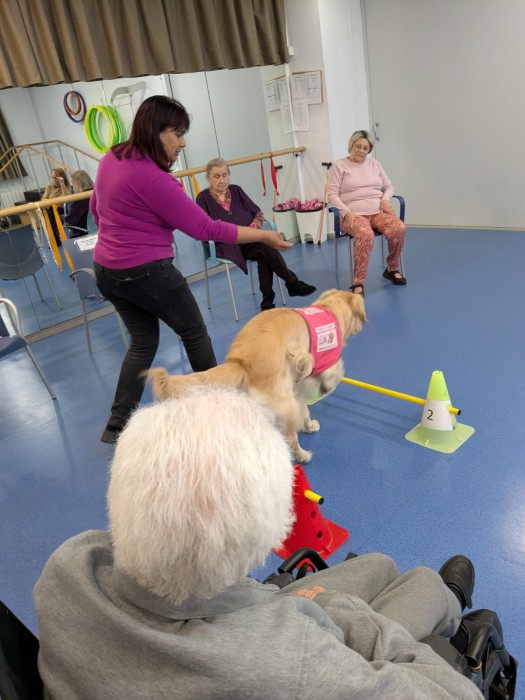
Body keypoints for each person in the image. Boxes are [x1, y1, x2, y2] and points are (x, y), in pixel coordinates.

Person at [34, 386, 482, 699]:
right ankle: (450, 604)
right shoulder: (295, 664)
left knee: (378, 565)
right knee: (421, 582)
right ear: (270, 534)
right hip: (279, 644)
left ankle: (439, 597)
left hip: (217, 621)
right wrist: (328, 611)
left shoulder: (70, 567)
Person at [90, 95, 291, 444]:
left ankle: (116, 425)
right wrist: (263, 235)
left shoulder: (112, 157)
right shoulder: (155, 179)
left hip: (107, 271)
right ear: (156, 131)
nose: (183, 142)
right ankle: (221, 412)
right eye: (178, 133)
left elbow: (96, 209)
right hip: (147, 271)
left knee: (143, 340)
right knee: (194, 333)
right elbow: (206, 229)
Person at [196, 158, 316, 311]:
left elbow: (258, 214)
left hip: (250, 241)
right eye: (216, 176)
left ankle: (268, 303)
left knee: (263, 250)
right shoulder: (202, 199)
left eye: (225, 175)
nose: (222, 180)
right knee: (264, 246)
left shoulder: (236, 190)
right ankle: (291, 283)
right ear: (208, 177)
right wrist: (250, 235)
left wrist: (250, 232)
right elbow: (204, 228)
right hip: (225, 245)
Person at [328, 129, 406, 296]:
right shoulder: (339, 165)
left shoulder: (375, 164)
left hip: (377, 211)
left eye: (366, 148)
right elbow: (332, 194)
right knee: (365, 234)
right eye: (358, 146)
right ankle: (358, 281)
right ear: (351, 145)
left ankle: (392, 268)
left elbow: (389, 186)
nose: (361, 151)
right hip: (353, 214)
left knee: (398, 228)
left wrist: (385, 199)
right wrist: (346, 212)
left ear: (369, 149)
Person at [41, 168, 73, 247]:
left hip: (62, 208)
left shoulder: (67, 186)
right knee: (48, 212)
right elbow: (43, 199)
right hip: (52, 209)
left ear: (61, 177)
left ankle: (55, 237)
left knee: (50, 212)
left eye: (56, 178)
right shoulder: (49, 187)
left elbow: (67, 198)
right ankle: (56, 231)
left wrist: (62, 184)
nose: (54, 180)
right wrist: (50, 201)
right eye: (52, 177)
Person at [64, 170, 94, 237]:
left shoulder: (79, 201)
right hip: (101, 229)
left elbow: (68, 223)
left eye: (73, 183)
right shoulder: (97, 194)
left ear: (77, 184)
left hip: (84, 234)